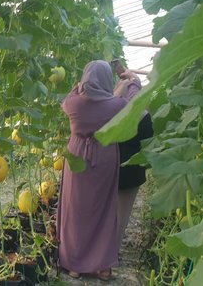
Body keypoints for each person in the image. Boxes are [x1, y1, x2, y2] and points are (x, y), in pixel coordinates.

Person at [57, 60, 141, 281]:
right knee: (104, 211)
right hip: (104, 157)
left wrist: (78, 87)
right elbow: (135, 105)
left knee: (75, 211)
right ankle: (102, 267)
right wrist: (132, 83)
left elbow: (66, 99)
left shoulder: (74, 104)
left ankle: (74, 265)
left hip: (76, 157)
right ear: (106, 80)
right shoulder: (115, 105)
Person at [115, 82, 153, 245]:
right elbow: (149, 142)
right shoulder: (145, 117)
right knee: (122, 214)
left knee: (105, 214)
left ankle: (101, 252)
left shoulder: (113, 114)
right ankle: (113, 251)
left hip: (110, 169)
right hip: (132, 172)